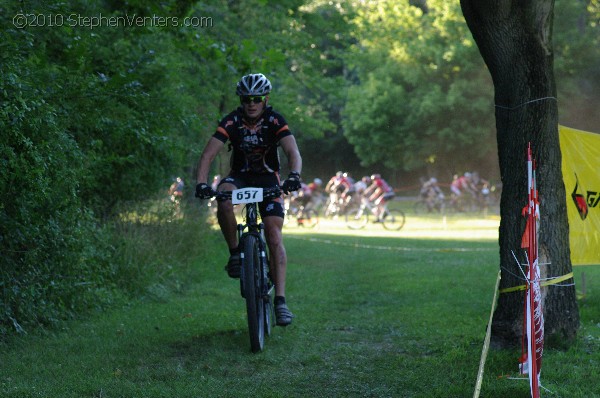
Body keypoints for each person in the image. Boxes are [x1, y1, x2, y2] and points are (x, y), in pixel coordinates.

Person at [194, 73, 302, 326]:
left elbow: (292, 151)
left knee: (274, 236)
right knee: (223, 199)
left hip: (268, 179)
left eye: (256, 98)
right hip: (240, 177)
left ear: (264, 99)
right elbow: (208, 154)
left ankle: (281, 301)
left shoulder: (275, 120)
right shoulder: (231, 121)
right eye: (246, 99)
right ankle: (234, 253)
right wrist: (200, 182)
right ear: (241, 101)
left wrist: (294, 175)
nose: (251, 104)